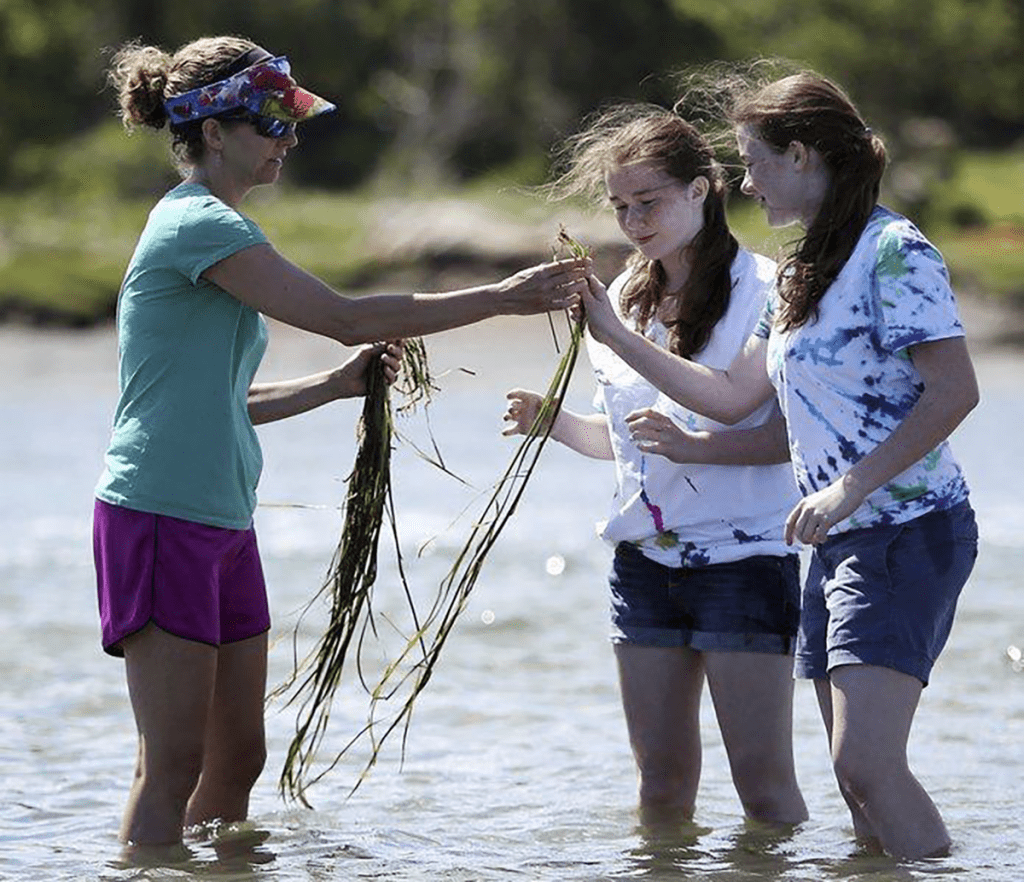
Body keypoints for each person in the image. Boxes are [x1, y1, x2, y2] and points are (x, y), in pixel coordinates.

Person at [96, 35, 586, 853]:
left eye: (291, 125)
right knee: (173, 762)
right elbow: (347, 316)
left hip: (221, 520)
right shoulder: (195, 225)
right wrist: (500, 300)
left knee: (239, 759)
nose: (288, 140)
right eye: (271, 124)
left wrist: (330, 387)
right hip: (157, 517)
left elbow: (221, 402)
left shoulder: (222, 229)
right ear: (214, 132)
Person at [579, 71, 979, 860]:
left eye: (755, 162)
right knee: (854, 782)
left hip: (906, 528)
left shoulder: (894, 251)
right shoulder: (801, 272)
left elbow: (955, 390)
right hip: (835, 541)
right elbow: (732, 398)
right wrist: (613, 330)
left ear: (800, 156)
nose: (746, 182)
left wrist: (848, 487)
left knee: (865, 762)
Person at [503, 104, 808, 826]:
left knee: (763, 790)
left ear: (703, 189)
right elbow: (635, 443)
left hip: (747, 558)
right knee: (661, 786)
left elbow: (777, 431)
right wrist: (555, 425)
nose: (635, 221)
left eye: (651, 201)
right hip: (643, 562)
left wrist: (610, 331)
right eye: (620, 207)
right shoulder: (628, 296)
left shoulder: (768, 290)